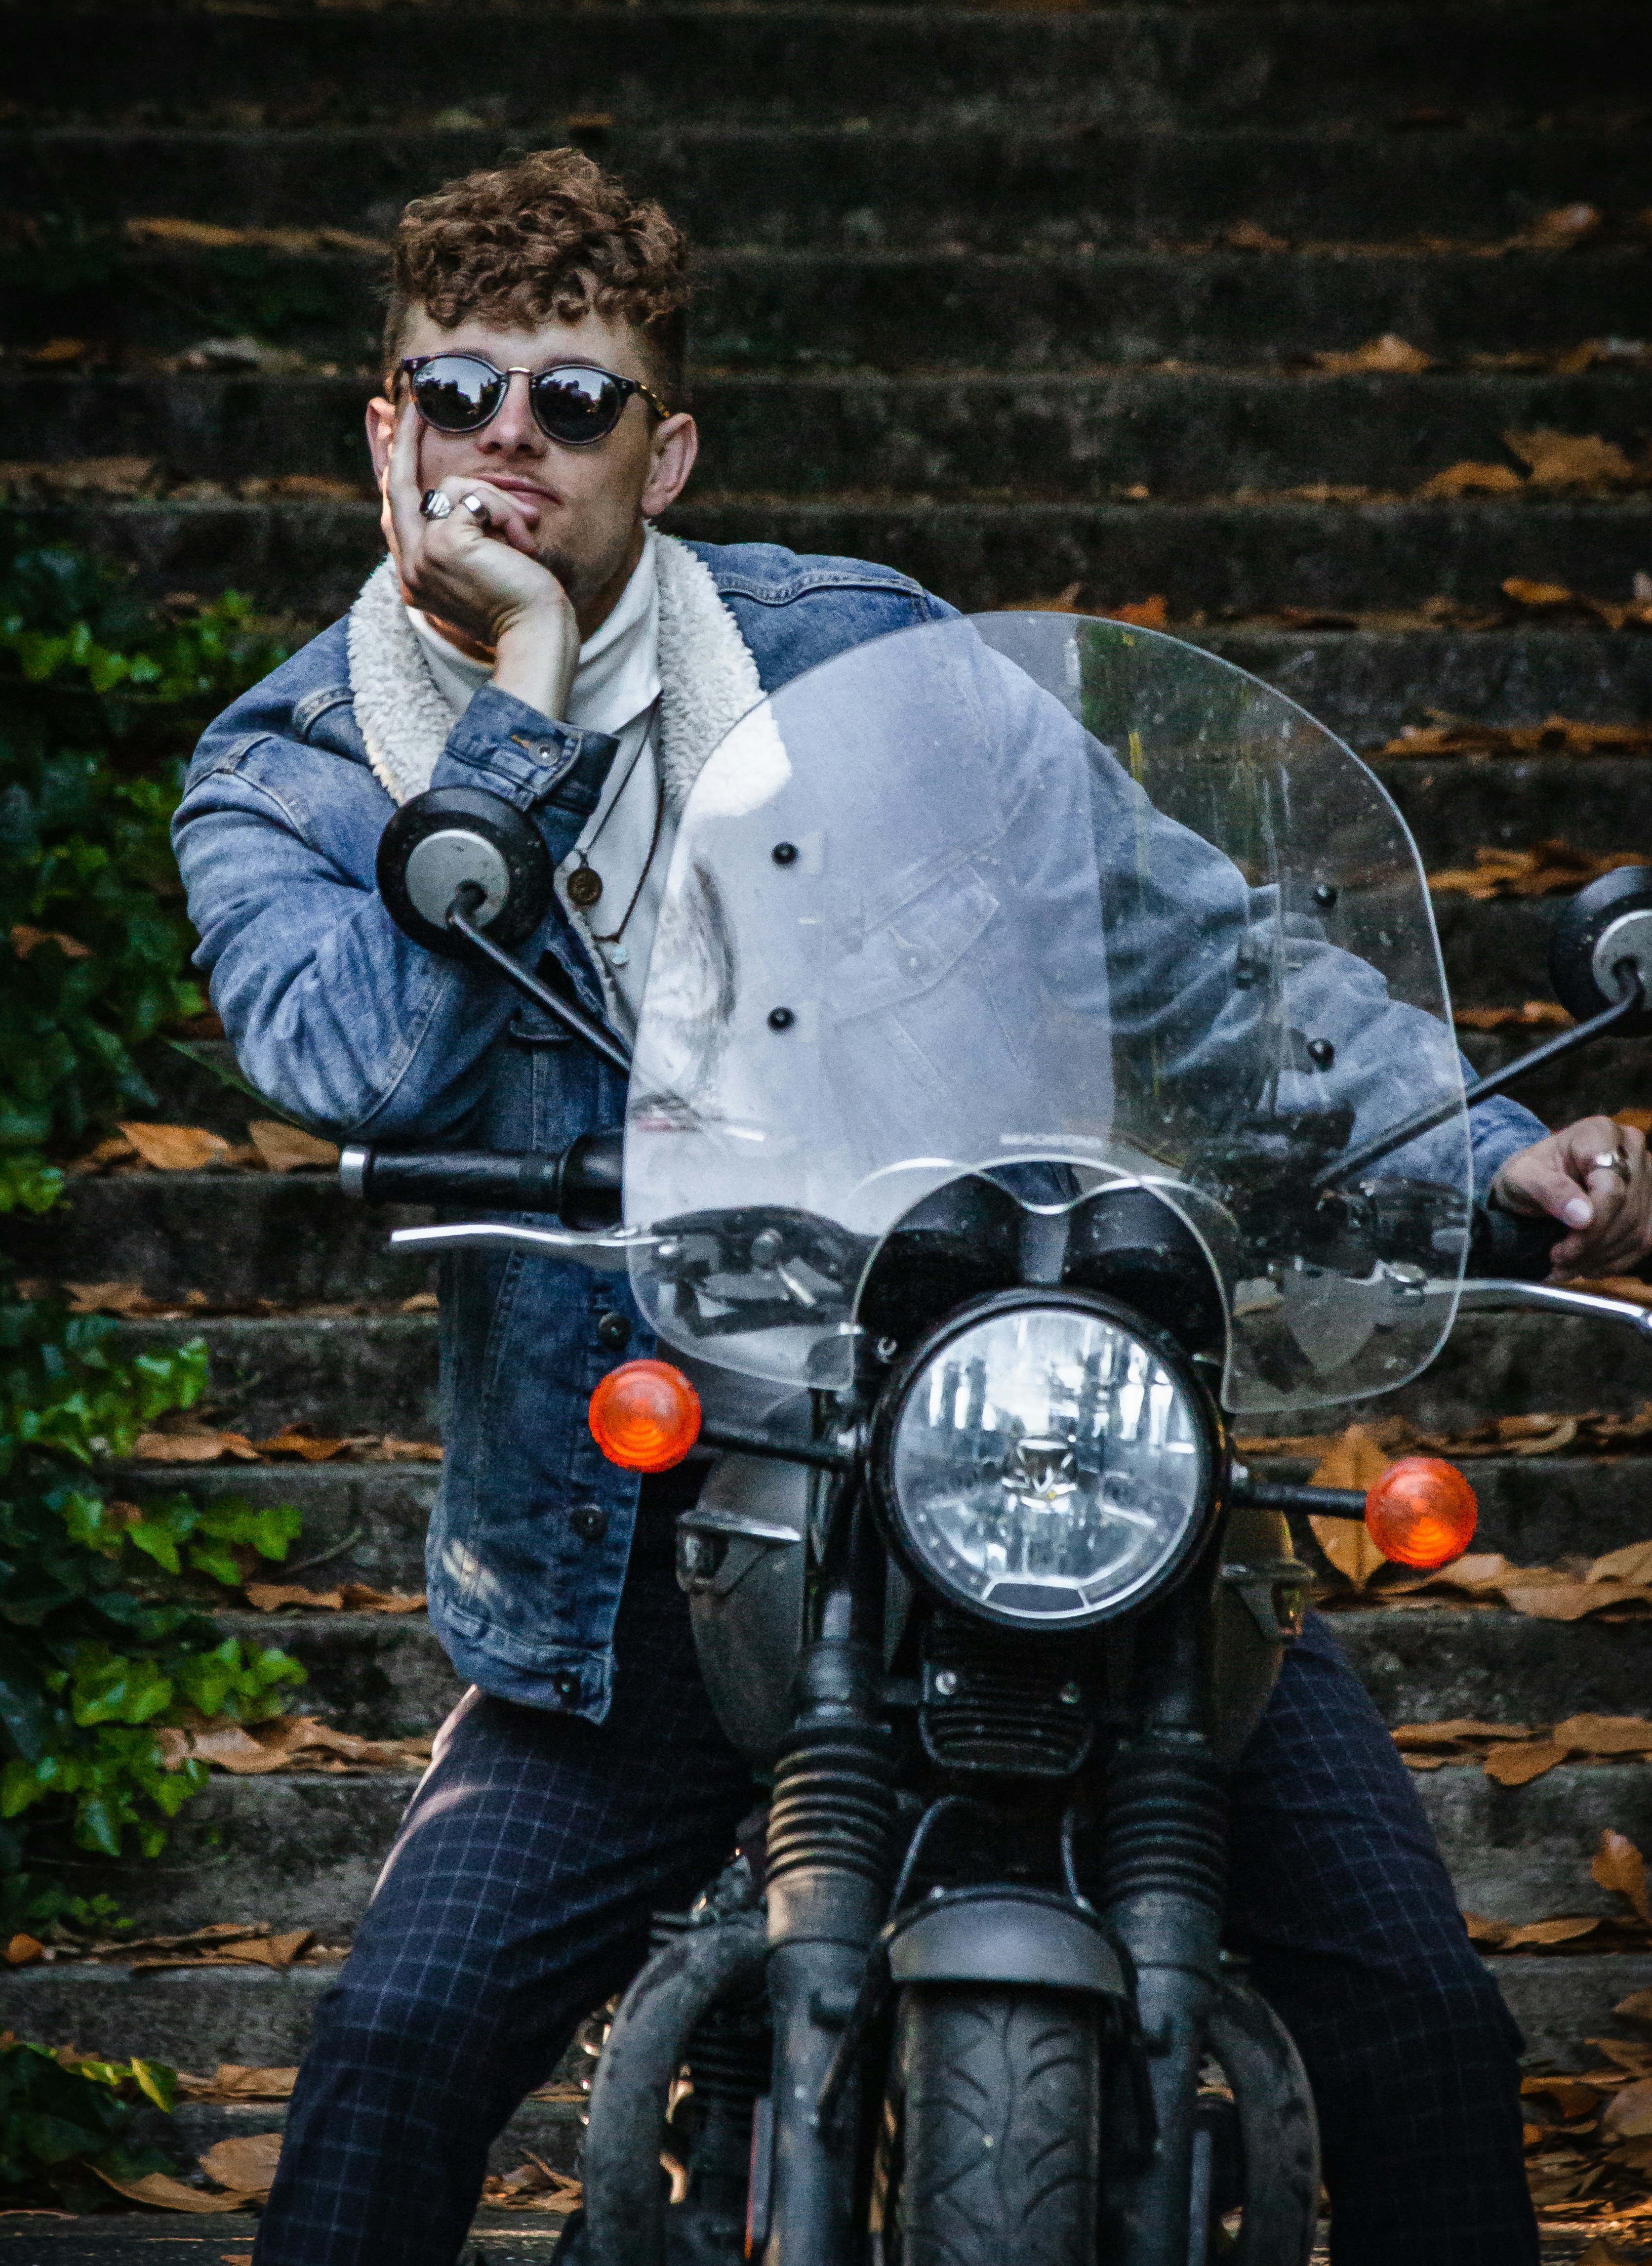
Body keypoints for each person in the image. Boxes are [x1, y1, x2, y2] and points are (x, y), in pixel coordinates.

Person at [173, 147, 1652, 2266]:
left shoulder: (877, 659)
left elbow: (1192, 948)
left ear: (660, 451)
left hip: (1035, 1429)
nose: (513, 437)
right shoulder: (295, 765)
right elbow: (349, 1061)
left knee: (1421, 2022)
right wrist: (512, 706)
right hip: (650, 1554)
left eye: (573, 401)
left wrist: (1479, 1144)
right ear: (385, 427)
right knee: (396, 2041)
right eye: (457, 388)